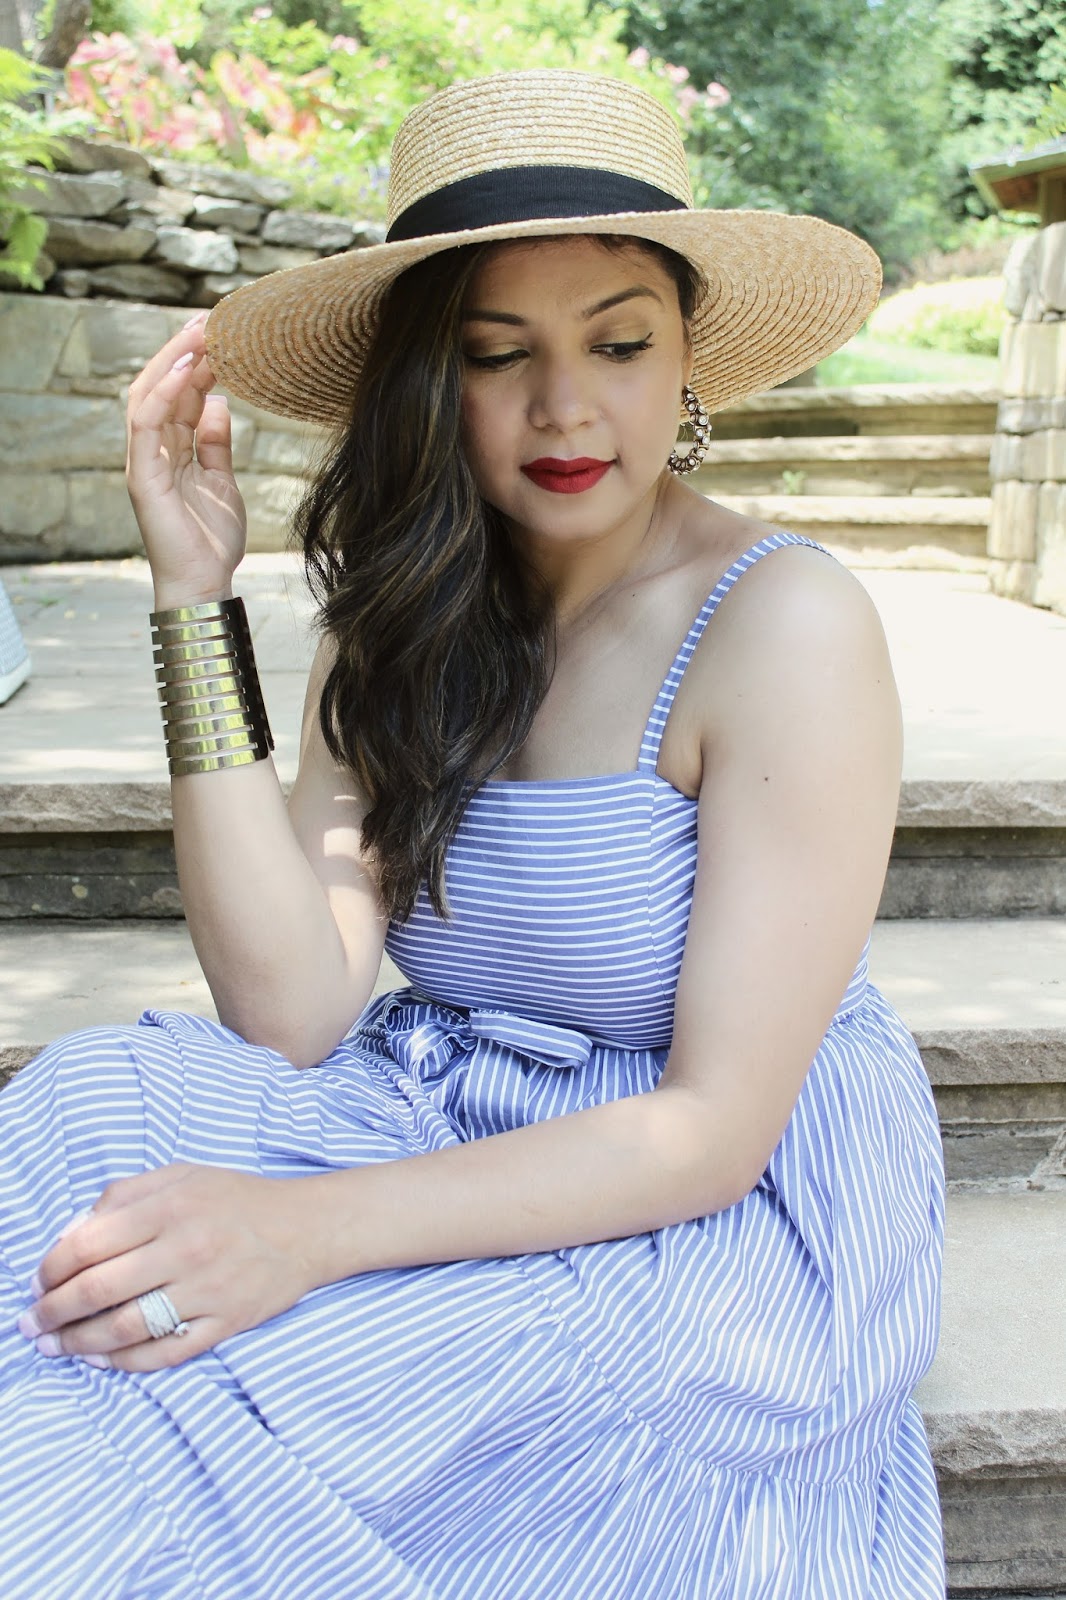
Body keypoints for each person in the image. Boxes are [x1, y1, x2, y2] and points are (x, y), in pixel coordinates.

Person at [0, 68, 946, 1598]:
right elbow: (293, 1009)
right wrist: (192, 603)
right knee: (95, 1109)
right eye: (498, 357)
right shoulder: (416, 604)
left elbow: (707, 1134)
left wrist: (301, 1232)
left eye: (618, 344)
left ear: (687, 356)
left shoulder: (782, 625)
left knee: (245, 1379)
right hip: (441, 1112)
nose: (565, 409)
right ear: (429, 383)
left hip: (709, 1195)